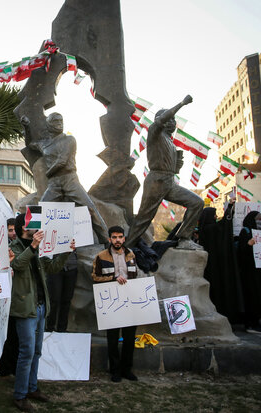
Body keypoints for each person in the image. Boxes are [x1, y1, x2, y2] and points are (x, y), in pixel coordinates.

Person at [9, 213, 74, 412]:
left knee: (36, 351)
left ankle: (32, 388)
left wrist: (66, 252)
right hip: (25, 308)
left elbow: (53, 268)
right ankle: (19, 395)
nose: (37, 228)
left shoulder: (38, 249)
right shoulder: (13, 247)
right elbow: (16, 265)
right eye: (32, 225)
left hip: (40, 306)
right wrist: (33, 247)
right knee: (26, 352)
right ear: (23, 228)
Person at [126, 95, 204, 250]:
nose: (172, 122)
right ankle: (126, 247)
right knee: (144, 218)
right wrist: (181, 103)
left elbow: (174, 169)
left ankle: (184, 238)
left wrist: (178, 163)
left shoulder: (170, 142)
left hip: (169, 181)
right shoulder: (155, 132)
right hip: (157, 180)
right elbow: (160, 121)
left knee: (197, 202)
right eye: (169, 119)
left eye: (174, 120)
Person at [21, 113, 109, 244]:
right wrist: (27, 128)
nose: (59, 123)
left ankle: (107, 240)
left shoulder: (69, 140)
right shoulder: (44, 144)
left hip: (70, 180)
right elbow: (30, 144)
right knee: (38, 210)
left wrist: (48, 173)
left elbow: (62, 161)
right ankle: (27, 242)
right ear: (49, 125)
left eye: (60, 120)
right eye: (55, 121)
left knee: (90, 207)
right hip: (54, 184)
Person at [91, 226, 139, 383]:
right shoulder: (101, 256)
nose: (117, 240)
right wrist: (113, 279)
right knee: (112, 338)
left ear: (124, 238)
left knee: (129, 338)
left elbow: (135, 274)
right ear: (109, 239)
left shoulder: (131, 254)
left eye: (120, 237)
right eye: (114, 237)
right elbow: (95, 277)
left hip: (129, 302)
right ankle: (115, 371)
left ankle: (127, 370)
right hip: (111, 303)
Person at [197, 198, 244, 322]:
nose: (216, 216)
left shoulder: (206, 229)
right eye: (214, 215)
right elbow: (223, 226)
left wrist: (229, 211)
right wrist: (228, 210)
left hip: (213, 266)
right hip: (214, 266)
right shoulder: (210, 229)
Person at [236, 211, 261, 333]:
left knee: (260, 296)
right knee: (251, 297)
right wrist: (249, 244)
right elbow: (242, 251)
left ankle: (257, 321)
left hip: (259, 270)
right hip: (249, 272)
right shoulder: (245, 232)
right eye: (258, 219)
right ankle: (250, 324)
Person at [46, 250, 78, 332]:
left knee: (67, 300)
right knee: (53, 299)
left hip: (71, 266)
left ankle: (62, 328)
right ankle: (49, 327)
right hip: (55, 265)